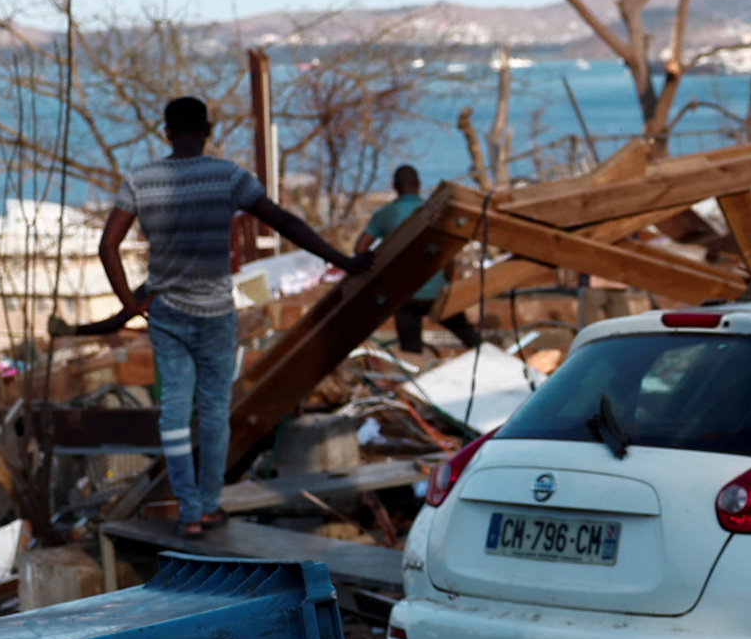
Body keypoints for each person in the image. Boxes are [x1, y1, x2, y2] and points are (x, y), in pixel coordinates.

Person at [98, 97, 367, 536]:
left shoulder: (141, 180)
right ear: (208, 130)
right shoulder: (228, 177)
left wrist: (130, 304)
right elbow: (286, 224)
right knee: (215, 411)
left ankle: (187, 513)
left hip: (166, 314)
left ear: (165, 132)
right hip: (215, 314)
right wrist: (342, 259)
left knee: (174, 414)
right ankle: (208, 506)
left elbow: (107, 246)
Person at [364, 164, 482, 356]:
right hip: (436, 290)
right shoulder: (435, 211)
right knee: (469, 337)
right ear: (418, 184)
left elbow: (360, 248)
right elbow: (449, 253)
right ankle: (495, 369)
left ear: (395, 186)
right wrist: (449, 279)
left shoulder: (383, 215)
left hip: (404, 294)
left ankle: (414, 377)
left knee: (411, 352)